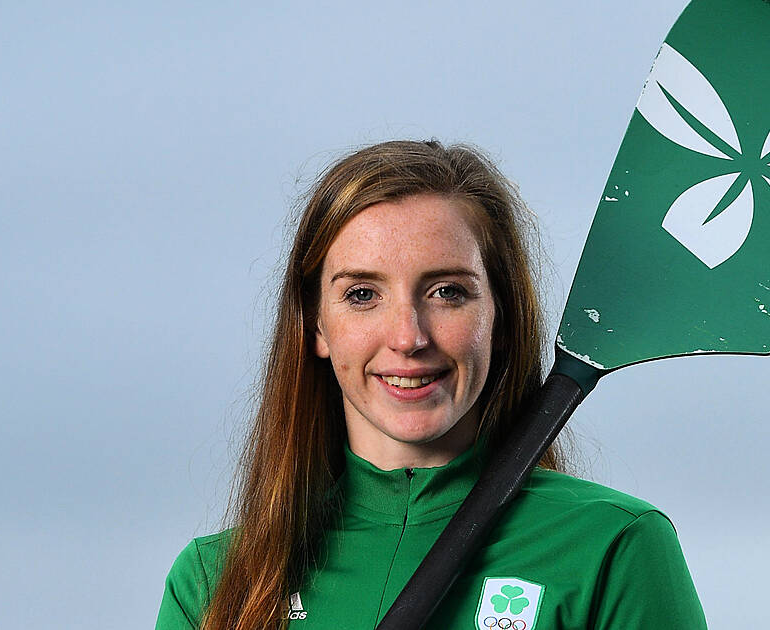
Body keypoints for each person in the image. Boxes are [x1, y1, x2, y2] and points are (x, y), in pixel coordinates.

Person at [155, 140, 707, 630]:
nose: (408, 337)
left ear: (502, 317)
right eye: (362, 295)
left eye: (447, 292)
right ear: (315, 325)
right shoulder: (214, 584)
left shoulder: (611, 547)